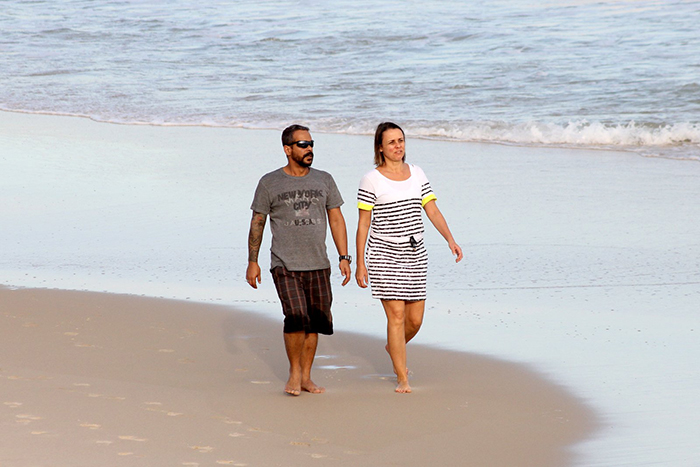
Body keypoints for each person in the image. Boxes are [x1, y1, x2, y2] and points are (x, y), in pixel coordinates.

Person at [355, 122, 463, 393]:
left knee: (415, 320)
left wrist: (450, 239)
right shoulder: (371, 179)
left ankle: (394, 346)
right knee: (397, 315)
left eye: (401, 140)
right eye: (391, 142)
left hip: (415, 253)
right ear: (380, 147)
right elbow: (363, 224)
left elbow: (432, 210)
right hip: (384, 253)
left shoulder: (417, 173)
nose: (398, 146)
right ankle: (402, 377)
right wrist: (360, 263)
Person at [246, 124, 352, 396]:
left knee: (315, 321)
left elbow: (336, 219)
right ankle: (294, 372)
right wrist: (253, 261)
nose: (309, 149)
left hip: (319, 262)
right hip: (285, 263)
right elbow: (258, 222)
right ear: (287, 149)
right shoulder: (269, 182)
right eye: (303, 145)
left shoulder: (324, 179)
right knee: (295, 317)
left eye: (311, 143)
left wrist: (344, 256)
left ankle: (306, 377)